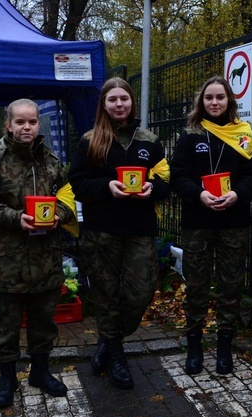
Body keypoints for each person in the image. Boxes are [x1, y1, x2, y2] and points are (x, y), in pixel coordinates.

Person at [0, 98, 76, 408]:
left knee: (44, 322)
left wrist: (60, 214)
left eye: (32, 122)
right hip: (8, 260)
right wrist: (16, 218)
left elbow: (69, 196)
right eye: (20, 122)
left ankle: (40, 372)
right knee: (8, 325)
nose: (26, 127)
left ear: (38, 125)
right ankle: (7, 378)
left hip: (45, 256)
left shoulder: (51, 161)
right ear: (9, 125)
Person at [67, 77, 170, 390]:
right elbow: (77, 184)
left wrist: (153, 188)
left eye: (124, 99)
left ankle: (106, 342)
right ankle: (115, 355)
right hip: (101, 233)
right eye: (112, 100)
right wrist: (108, 187)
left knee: (140, 293)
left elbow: (167, 182)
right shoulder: (90, 141)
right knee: (106, 295)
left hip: (140, 230)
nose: (119, 104)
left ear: (131, 102)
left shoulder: (149, 141)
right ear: (104, 105)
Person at [170, 77, 252, 375]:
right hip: (198, 221)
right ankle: (194, 345)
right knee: (196, 284)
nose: (214, 103)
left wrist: (237, 194)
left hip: (234, 221)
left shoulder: (243, 135)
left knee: (230, 285)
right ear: (201, 102)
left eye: (220, 97)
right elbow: (177, 176)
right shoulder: (190, 136)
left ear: (229, 101)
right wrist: (199, 194)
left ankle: (224, 346)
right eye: (209, 97)